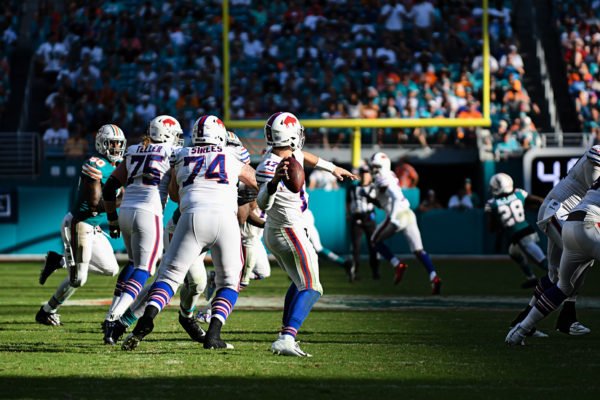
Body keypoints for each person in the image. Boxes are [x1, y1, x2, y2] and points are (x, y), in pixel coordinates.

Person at [121, 115, 258, 351]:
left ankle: (147, 318)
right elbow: (256, 181)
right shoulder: (234, 153)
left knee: (169, 276)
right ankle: (213, 335)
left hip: (191, 217)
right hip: (225, 218)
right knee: (229, 281)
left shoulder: (181, 155)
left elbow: (174, 195)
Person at [256, 111, 357, 357]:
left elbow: (306, 157)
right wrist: (271, 185)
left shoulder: (289, 154)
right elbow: (262, 204)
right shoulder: (269, 168)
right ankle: (287, 338)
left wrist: (333, 168)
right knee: (313, 287)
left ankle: (285, 335)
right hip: (288, 231)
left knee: (298, 282)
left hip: (280, 231)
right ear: (290, 136)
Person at [101, 115, 182, 344]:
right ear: (168, 135)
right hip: (149, 212)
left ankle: (115, 315)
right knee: (145, 269)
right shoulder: (172, 153)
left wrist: (113, 220)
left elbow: (110, 188)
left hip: (126, 212)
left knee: (136, 265)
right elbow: (175, 194)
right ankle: (114, 317)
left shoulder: (135, 148)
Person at [36, 124, 127, 326]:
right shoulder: (94, 164)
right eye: (112, 143)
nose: (116, 148)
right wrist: (125, 201)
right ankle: (47, 311)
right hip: (79, 224)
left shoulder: (120, 164)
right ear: (101, 144)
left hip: (94, 228)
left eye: (119, 144)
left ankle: (59, 261)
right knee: (78, 279)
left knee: (112, 269)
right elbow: (95, 204)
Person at [509, 146, 600, 337]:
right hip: (560, 211)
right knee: (582, 257)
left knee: (554, 276)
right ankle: (566, 318)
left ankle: (523, 320)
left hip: (563, 212)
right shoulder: (596, 155)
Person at [367, 152, 442, 295]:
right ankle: (434, 277)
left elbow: (394, 197)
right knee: (419, 250)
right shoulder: (390, 176)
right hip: (408, 213)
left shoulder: (382, 178)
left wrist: (394, 217)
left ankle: (397, 264)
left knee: (374, 241)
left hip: (398, 215)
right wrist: (372, 199)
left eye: (376, 167)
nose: (373, 170)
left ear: (382, 166)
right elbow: (385, 201)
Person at [485, 173, 548, 289]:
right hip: (526, 230)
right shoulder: (519, 193)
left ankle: (560, 276)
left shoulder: (492, 204)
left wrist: (497, 219)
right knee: (513, 252)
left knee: (541, 260)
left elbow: (491, 228)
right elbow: (540, 200)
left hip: (520, 235)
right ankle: (531, 278)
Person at [346, 164, 379, 280]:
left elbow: (379, 204)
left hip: (369, 218)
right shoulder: (353, 188)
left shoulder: (374, 188)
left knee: (373, 246)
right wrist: (348, 214)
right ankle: (355, 272)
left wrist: (370, 198)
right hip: (357, 218)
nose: (365, 176)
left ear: (370, 176)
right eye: (363, 173)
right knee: (356, 247)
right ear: (359, 175)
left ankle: (375, 271)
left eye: (367, 173)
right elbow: (348, 201)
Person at [304, 207, 355, 282]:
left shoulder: (296, 203)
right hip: (304, 222)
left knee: (317, 249)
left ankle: (345, 263)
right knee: (315, 249)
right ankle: (344, 263)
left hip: (305, 224)